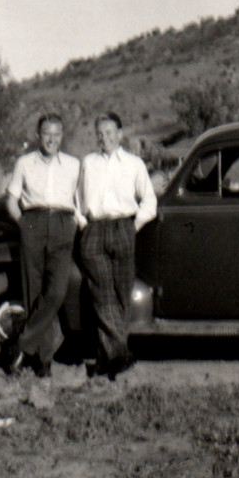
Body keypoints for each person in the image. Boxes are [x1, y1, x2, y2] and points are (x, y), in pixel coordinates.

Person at [77, 112, 157, 380]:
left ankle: (105, 361)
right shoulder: (88, 163)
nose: (105, 138)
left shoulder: (134, 164)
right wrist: (83, 224)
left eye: (110, 132)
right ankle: (120, 355)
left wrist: (133, 227)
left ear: (120, 134)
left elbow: (149, 202)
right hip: (94, 230)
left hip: (124, 228)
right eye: (100, 133)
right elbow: (76, 200)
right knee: (102, 295)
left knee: (121, 295)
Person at [5, 114, 80, 377]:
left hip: (62, 225)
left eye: (57, 134)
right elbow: (11, 199)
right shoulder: (24, 163)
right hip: (33, 224)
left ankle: (21, 343)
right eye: (47, 133)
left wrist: (74, 225)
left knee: (56, 291)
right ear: (38, 135)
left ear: (62, 136)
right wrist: (23, 224)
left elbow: (80, 200)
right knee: (34, 294)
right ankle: (43, 363)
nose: (52, 139)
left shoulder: (73, 165)